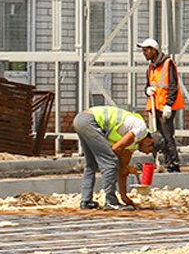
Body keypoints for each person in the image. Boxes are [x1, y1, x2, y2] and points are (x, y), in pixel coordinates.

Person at [74, 105, 156, 211]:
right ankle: (111, 202)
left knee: (91, 164)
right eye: (149, 150)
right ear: (150, 141)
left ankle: (85, 201)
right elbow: (115, 150)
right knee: (110, 162)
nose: (146, 153)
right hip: (91, 120)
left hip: (81, 119)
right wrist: (126, 167)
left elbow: (122, 170)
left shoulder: (133, 143)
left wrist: (124, 197)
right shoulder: (141, 129)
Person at [138, 37, 183, 172]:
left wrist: (169, 105)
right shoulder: (151, 68)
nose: (144, 53)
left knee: (167, 136)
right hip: (155, 106)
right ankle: (162, 162)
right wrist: (147, 90)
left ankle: (173, 165)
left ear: (154, 50)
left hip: (166, 107)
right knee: (158, 137)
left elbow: (173, 86)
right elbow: (149, 85)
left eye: (146, 50)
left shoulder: (168, 64)